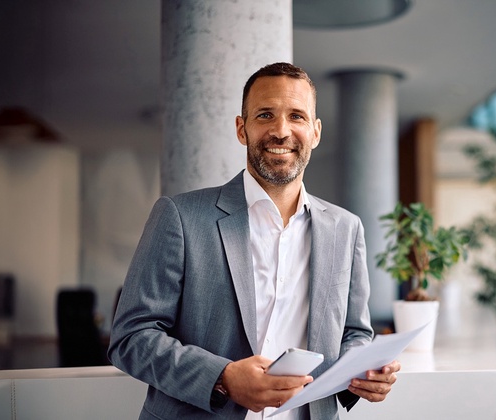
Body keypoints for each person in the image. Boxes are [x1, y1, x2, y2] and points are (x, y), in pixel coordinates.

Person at [109, 62, 400, 420]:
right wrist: (223, 378)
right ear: (241, 128)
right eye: (265, 115)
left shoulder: (346, 227)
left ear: (315, 131)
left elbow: (354, 332)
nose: (281, 131)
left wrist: (364, 371)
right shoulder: (180, 216)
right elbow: (131, 336)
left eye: (296, 116)